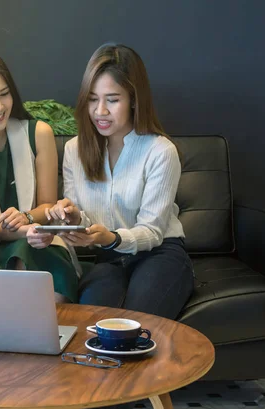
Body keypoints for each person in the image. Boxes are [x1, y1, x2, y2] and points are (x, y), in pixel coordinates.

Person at [46, 44, 194, 319]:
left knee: (137, 324)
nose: (100, 111)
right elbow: (85, 223)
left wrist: (112, 238)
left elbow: (152, 232)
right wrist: (73, 219)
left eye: (112, 100)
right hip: (109, 258)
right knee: (91, 323)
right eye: (92, 99)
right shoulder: (74, 150)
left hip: (159, 253)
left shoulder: (160, 151)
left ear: (134, 99)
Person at [0, 49, 79, 303]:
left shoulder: (38, 133)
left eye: (4, 94)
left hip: (38, 241)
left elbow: (47, 205)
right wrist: (23, 231)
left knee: (34, 257)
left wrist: (27, 218)